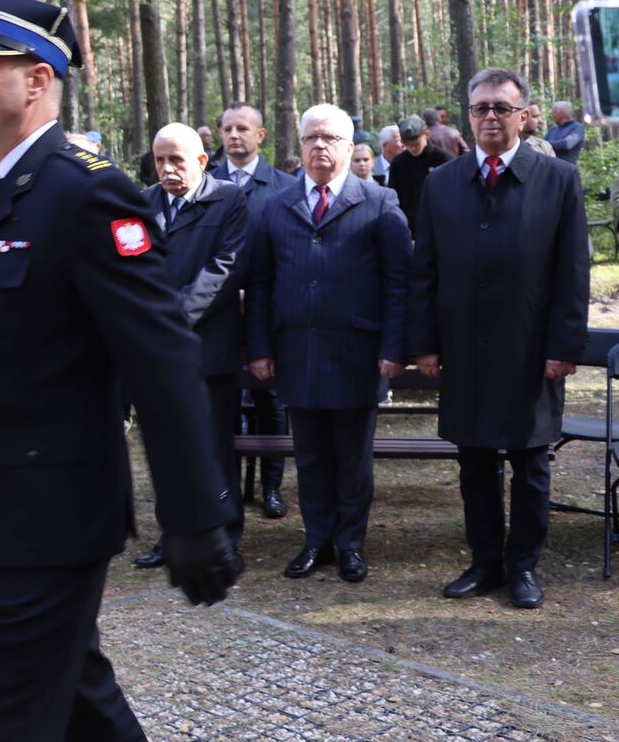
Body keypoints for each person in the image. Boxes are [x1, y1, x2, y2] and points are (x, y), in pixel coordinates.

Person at [0, 0, 241, 742]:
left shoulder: (89, 193)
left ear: (38, 79)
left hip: (54, 511)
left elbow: (162, 361)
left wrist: (195, 515)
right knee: (84, 715)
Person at [411, 67, 589, 610]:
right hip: (464, 344)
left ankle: (523, 566)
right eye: (480, 108)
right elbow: (424, 270)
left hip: (529, 346)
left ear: (524, 116)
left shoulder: (557, 180)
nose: (490, 117)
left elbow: (572, 272)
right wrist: (425, 343)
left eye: (501, 108)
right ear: (468, 116)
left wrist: (564, 347)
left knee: (531, 462)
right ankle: (484, 562)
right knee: (474, 460)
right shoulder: (442, 182)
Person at [247, 104, 411, 583]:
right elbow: (260, 284)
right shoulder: (275, 205)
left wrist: (394, 347)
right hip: (297, 351)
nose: (319, 145)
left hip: (356, 353)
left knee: (352, 459)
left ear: (349, 145)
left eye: (330, 138)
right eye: (311, 138)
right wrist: (259, 347)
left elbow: (398, 283)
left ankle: (351, 545)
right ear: (300, 145)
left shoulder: (379, 202)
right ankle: (316, 540)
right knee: (311, 456)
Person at [132, 122, 249, 570]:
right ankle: (173, 534)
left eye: (176, 160)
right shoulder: (143, 203)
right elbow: (131, 268)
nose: (167, 169)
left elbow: (224, 270)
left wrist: (167, 319)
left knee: (213, 448)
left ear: (202, 160)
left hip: (205, 349)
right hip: (154, 353)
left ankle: (224, 534)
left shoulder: (228, 200)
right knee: (166, 450)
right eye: (160, 160)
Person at [208, 101, 291, 519]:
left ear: (260, 135)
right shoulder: (206, 184)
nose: (234, 135)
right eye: (227, 128)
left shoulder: (284, 186)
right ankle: (226, 491)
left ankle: (271, 487)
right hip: (217, 313)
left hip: (267, 311)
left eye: (242, 128)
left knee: (269, 400)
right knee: (222, 403)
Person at [388, 114, 452, 235]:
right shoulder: (398, 163)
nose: (412, 148)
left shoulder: (444, 159)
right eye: (407, 144)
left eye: (416, 143)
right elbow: (393, 197)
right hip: (408, 227)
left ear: (427, 134)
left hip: (439, 226)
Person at [546, 100, 586, 165]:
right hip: (549, 168)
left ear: (562, 113)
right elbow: (540, 145)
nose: (552, 115)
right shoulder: (552, 130)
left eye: (554, 112)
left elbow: (567, 144)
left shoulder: (577, 127)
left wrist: (547, 144)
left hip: (567, 169)